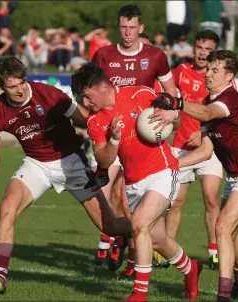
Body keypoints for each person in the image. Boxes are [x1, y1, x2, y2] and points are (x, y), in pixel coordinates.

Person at [0, 55, 132, 297]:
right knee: (7, 208)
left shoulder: (49, 95)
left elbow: (88, 121)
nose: (20, 89)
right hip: (36, 165)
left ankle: (145, 234)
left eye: (22, 81)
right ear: (1, 87)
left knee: (111, 226)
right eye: (12, 86)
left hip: (72, 163)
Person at [72, 62, 203, 302]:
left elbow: (178, 122)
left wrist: (173, 115)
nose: (87, 104)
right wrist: (113, 140)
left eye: (88, 97)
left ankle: (138, 295)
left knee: (140, 225)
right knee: (157, 239)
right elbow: (103, 160)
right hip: (134, 182)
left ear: (102, 86)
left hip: (163, 170)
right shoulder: (95, 121)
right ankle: (190, 269)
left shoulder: (139, 93)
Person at [179, 50, 238, 301]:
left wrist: (178, 103)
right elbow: (205, 151)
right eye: (208, 69)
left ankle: (224, 294)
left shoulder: (229, 98)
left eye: (215, 70)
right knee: (229, 232)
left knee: (221, 225)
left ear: (229, 75)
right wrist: (172, 163)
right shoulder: (207, 102)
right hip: (236, 175)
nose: (208, 74)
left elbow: (209, 115)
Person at [91, 4, 177, 275]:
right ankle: (116, 239)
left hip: (143, 135)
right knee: (107, 194)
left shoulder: (155, 55)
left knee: (130, 198)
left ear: (141, 28)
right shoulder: (103, 55)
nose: (127, 33)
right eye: (123, 27)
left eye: (132, 28)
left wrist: (168, 112)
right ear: (118, 28)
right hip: (112, 132)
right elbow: (93, 91)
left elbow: (171, 94)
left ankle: (125, 252)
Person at [167, 30, 223, 270]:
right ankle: (167, 250)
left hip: (209, 147)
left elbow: (225, 115)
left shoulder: (221, 79)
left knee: (211, 199)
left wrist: (202, 133)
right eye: (199, 47)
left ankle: (214, 250)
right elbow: (168, 100)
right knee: (175, 202)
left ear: (215, 53)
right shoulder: (180, 73)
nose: (202, 52)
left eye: (208, 49)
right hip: (180, 147)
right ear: (193, 49)